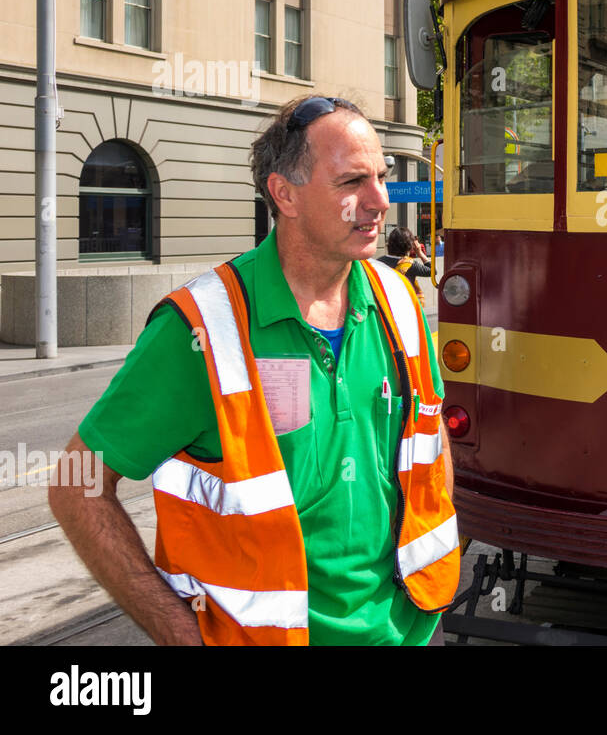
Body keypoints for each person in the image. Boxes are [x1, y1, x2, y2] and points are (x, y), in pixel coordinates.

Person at [49, 95, 460, 645]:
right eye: (350, 183)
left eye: (380, 177)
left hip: (406, 629)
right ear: (283, 194)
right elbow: (77, 487)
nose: (379, 201)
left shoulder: (399, 303)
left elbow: (430, 448)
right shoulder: (198, 328)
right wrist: (178, 633)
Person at [380, 225, 432, 296]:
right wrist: (420, 253)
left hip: (384, 303)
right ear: (409, 246)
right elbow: (432, 271)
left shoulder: (378, 262)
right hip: (406, 303)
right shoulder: (410, 264)